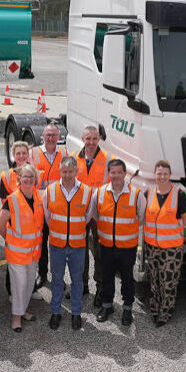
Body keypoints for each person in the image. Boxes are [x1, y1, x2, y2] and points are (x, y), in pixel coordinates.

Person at [45, 157, 95, 331]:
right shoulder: (50, 190)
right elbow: (47, 216)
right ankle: (56, 312)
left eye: (70, 171)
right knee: (57, 280)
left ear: (76, 171)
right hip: (57, 244)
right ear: (60, 171)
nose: (67, 175)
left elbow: (88, 215)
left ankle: (76, 313)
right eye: (64, 171)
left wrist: (75, 228)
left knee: (77, 281)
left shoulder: (87, 191)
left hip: (77, 245)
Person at [93, 158, 146, 326]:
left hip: (127, 247)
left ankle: (127, 309)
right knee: (107, 276)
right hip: (106, 245)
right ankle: (107, 306)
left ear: (125, 173)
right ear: (109, 174)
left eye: (119, 172)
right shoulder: (100, 193)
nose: (116, 175)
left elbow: (142, 218)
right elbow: (94, 214)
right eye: (112, 172)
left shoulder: (136, 195)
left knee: (127, 279)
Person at [0, 164, 44, 332]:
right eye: (25, 176)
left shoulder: (39, 197)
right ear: (19, 179)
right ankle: (16, 317)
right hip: (16, 252)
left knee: (30, 283)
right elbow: (0, 224)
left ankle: (23, 310)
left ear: (35, 180)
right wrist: (9, 239)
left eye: (31, 177)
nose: (28, 179)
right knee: (20, 284)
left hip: (33, 252)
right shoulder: (12, 200)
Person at [143, 160, 186, 327]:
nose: (162, 177)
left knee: (168, 281)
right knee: (154, 280)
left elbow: (185, 218)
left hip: (172, 248)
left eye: (165, 174)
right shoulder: (148, 193)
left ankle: (166, 312)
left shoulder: (179, 195)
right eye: (159, 173)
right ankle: (155, 308)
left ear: (170, 175)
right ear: (155, 175)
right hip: (151, 246)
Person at [75, 125, 114, 307]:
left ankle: (100, 288)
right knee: (80, 251)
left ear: (99, 140)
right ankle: (82, 285)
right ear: (83, 139)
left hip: (100, 213)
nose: (91, 142)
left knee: (99, 253)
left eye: (94, 139)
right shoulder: (76, 158)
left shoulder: (108, 160)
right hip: (81, 213)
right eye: (88, 139)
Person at [30, 124, 68, 288]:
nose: (51, 138)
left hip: (58, 208)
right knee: (42, 242)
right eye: (48, 135)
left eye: (54, 135)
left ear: (59, 136)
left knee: (59, 245)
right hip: (40, 207)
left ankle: (59, 277)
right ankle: (43, 274)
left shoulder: (66, 153)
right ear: (42, 137)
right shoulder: (33, 153)